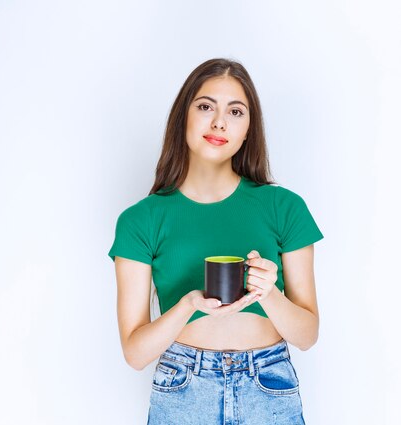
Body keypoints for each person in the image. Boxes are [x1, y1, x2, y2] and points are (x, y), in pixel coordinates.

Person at [108, 58, 323, 424]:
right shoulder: (140, 220)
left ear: (247, 130)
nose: (219, 122)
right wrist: (188, 304)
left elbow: (306, 336)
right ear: (184, 118)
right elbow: (135, 353)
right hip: (183, 388)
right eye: (206, 106)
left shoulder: (285, 208)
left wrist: (268, 293)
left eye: (235, 111)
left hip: (269, 386)